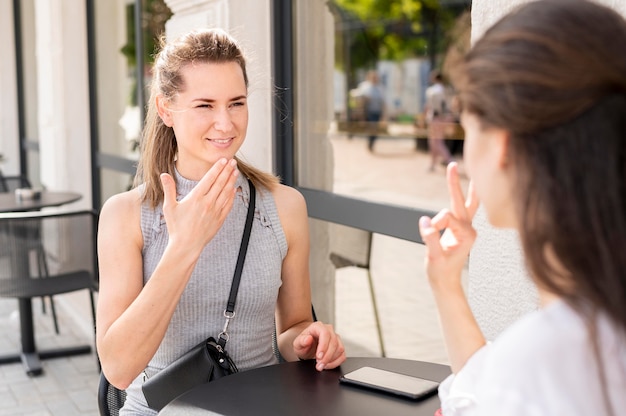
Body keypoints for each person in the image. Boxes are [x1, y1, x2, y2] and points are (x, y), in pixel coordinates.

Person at [96, 28, 346, 415]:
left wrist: (306, 340)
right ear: (166, 109)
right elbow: (118, 369)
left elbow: (293, 324)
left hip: (261, 406)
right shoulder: (126, 215)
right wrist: (184, 246)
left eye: (236, 103)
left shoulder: (283, 206)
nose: (226, 124)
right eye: (204, 105)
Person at [418, 1, 626, 415]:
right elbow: (489, 381)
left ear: (503, 146)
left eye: (469, 129)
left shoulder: (538, 363)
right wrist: (446, 282)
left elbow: (509, 384)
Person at [424, 70, 453, 171]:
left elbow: (429, 106)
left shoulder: (432, 91)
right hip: (444, 118)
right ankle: (434, 163)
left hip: (435, 118)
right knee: (438, 141)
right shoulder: (446, 90)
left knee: (435, 142)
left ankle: (448, 161)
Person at [358, 70, 386, 151]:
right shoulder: (365, 87)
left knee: (376, 130)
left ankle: (371, 142)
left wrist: (384, 114)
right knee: (371, 128)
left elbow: (383, 102)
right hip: (369, 112)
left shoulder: (380, 88)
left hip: (377, 111)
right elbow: (361, 100)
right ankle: (370, 142)